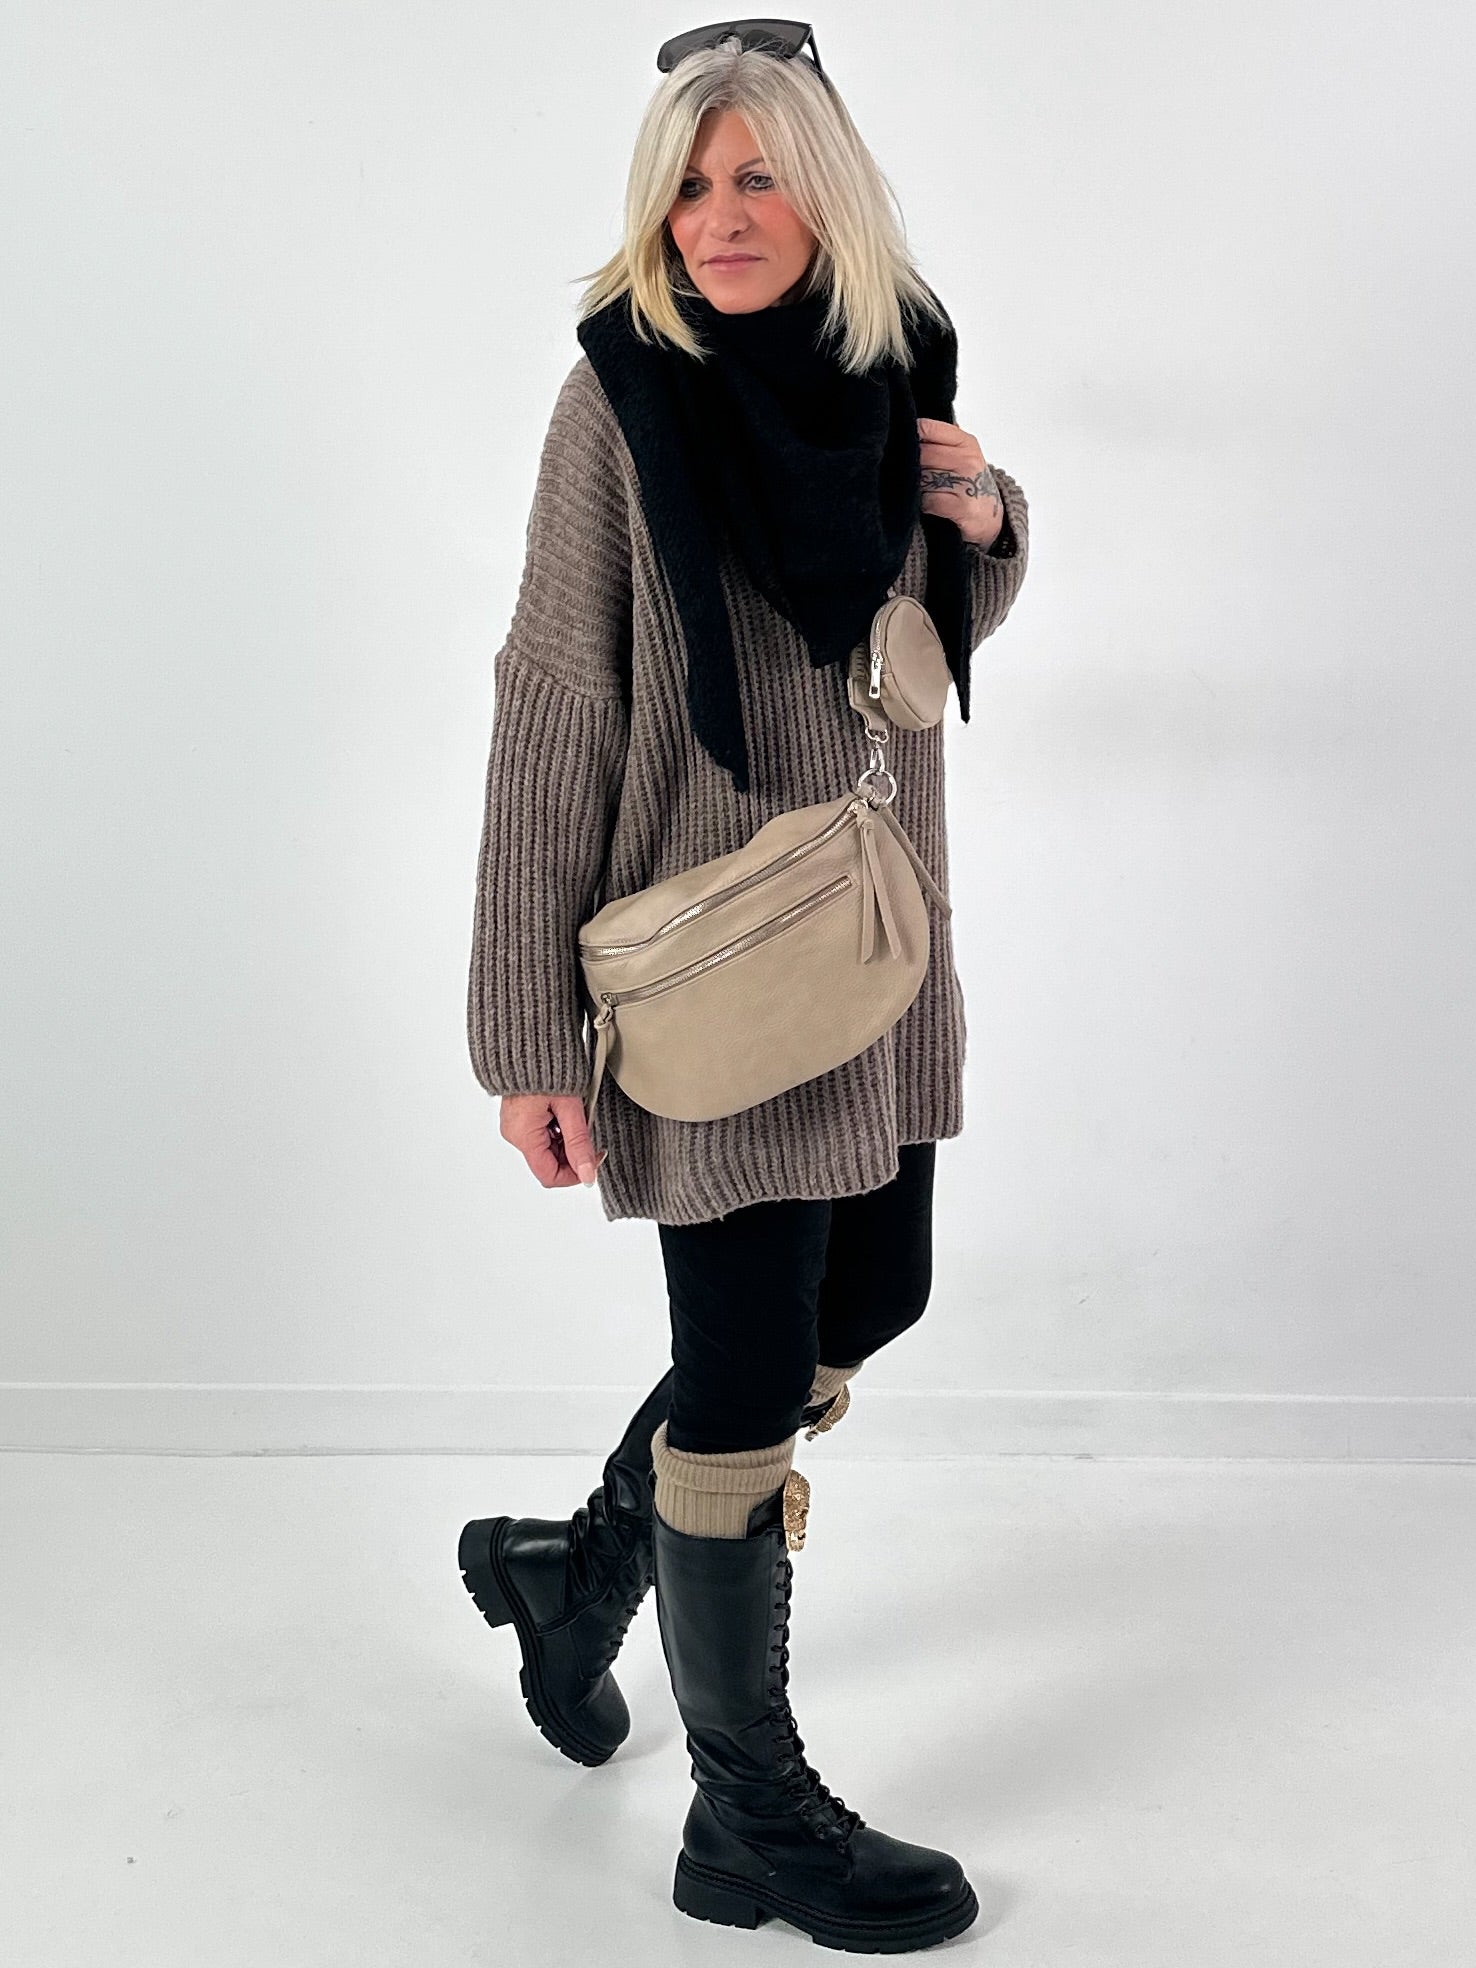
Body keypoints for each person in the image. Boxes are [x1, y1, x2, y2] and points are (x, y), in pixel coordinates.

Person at [457, 20, 1030, 1953]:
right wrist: (524, 1035)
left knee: (873, 1295)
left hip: (873, 942)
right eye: (691, 183)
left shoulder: (892, 364)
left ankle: (577, 1572)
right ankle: (749, 1817)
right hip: (712, 970)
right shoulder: (618, 402)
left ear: (826, 188)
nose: (719, 216)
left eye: (757, 174)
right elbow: (554, 706)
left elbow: (911, 635)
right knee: (738, 1372)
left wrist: (984, 525)